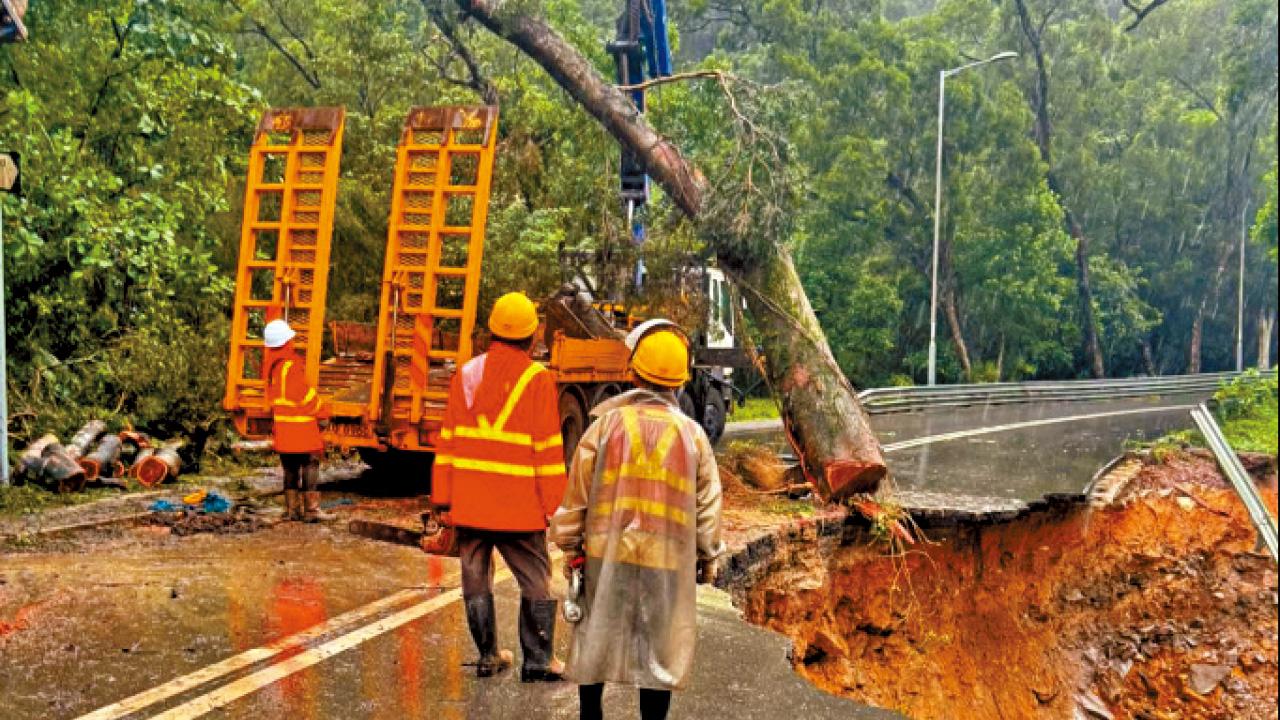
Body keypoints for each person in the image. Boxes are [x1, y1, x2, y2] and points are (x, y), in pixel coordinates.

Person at [551, 325, 725, 720]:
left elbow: (576, 494)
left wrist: (570, 545)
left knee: (595, 639)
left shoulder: (605, 427)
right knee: (658, 656)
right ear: (680, 381)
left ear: (633, 373)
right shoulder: (693, 436)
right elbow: (708, 506)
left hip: (604, 557)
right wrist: (707, 555)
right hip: (666, 562)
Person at [430, 292, 569, 681]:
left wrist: (443, 499)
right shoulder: (538, 380)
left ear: (491, 331)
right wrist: (553, 506)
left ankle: (488, 655)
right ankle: (539, 659)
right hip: (518, 507)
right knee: (536, 579)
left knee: (475, 575)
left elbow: (449, 443)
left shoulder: (466, 375)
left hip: (471, 504)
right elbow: (547, 451)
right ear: (532, 335)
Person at [262, 319, 334, 523]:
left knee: (290, 467)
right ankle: (312, 510)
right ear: (286, 342)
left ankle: (292, 510)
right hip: (301, 427)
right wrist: (323, 411)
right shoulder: (291, 366)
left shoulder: (272, 367)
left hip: (284, 427)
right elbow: (303, 395)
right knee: (310, 463)